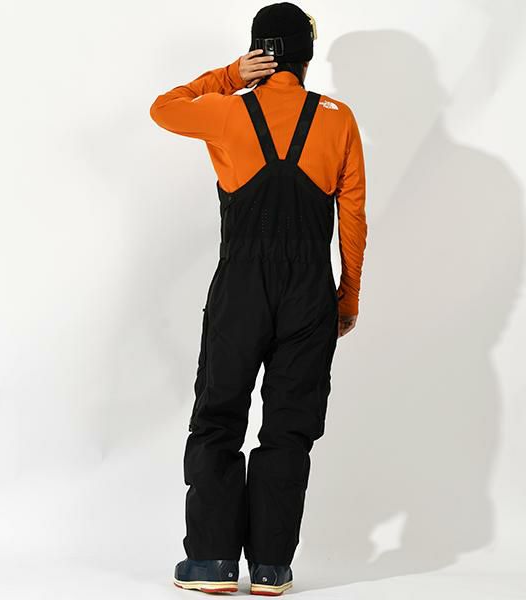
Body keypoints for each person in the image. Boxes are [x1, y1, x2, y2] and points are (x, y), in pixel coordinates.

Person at [149, 2, 367, 595]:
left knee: (218, 416)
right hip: (309, 292)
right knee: (290, 427)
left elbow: (163, 107)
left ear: (259, 54)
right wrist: (346, 297)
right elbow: (353, 217)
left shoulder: (226, 111)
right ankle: (271, 567)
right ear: (307, 57)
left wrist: (228, 76)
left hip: (240, 286)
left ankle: (212, 562)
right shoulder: (339, 119)